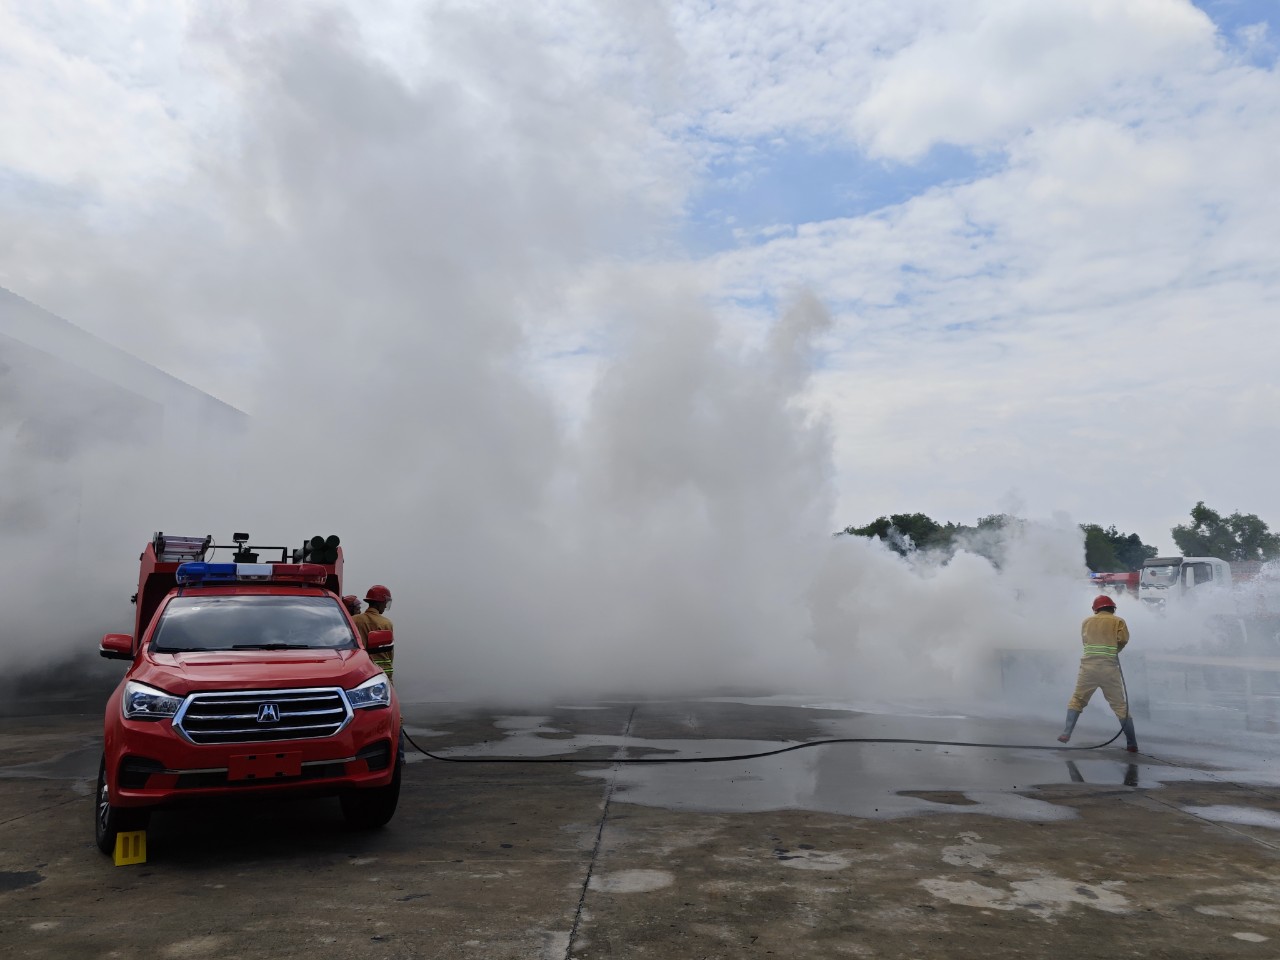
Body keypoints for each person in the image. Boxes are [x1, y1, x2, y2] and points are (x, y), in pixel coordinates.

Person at [1058, 595, 1138, 752]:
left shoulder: (1087, 622)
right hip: (1109, 669)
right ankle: (1132, 743)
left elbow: (1086, 642)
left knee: (1077, 700)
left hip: (1088, 668)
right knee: (1120, 706)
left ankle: (1066, 733)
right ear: (1112, 608)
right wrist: (1114, 650)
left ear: (1096, 609)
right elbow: (1123, 640)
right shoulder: (1118, 621)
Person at [353, 584, 395, 682]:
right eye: (385, 603)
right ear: (379, 603)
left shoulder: (353, 620)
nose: (385, 606)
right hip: (381, 672)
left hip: (360, 670)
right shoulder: (386, 623)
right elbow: (389, 653)